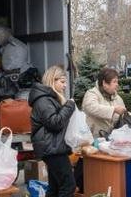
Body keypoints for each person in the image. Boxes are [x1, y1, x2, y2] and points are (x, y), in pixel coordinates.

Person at [28, 65, 76, 197]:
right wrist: (69, 106)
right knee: (68, 186)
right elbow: (55, 123)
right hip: (52, 148)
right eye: (62, 81)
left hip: (53, 147)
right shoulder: (43, 100)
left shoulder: (48, 99)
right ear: (52, 81)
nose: (65, 85)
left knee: (55, 188)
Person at [82, 68, 126, 138]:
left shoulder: (118, 98)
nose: (117, 84)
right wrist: (114, 109)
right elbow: (91, 107)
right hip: (93, 140)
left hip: (112, 140)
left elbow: (124, 115)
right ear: (104, 83)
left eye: (117, 82)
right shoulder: (91, 93)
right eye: (114, 82)